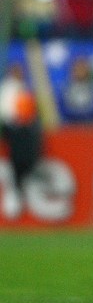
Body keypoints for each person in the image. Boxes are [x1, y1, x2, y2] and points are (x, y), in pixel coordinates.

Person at [0, 63, 43, 218]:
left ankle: (19, 192)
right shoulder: (8, 89)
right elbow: (7, 113)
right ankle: (14, 195)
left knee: (24, 162)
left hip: (23, 130)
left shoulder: (24, 89)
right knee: (14, 164)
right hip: (12, 130)